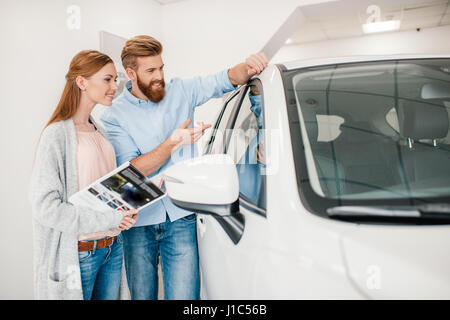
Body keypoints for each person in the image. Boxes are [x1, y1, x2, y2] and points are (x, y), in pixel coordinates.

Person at [100, 35, 268, 300]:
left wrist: (250, 66)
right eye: (151, 71)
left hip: (181, 216)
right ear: (130, 73)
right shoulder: (114, 116)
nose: (160, 76)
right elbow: (132, 171)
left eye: (161, 67)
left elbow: (224, 79)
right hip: (138, 221)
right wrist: (174, 143)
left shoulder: (181, 90)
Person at [29, 50, 140, 300]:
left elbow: (103, 188)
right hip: (80, 254)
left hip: (112, 248)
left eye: (115, 79)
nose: (115, 86)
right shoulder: (56, 135)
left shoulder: (98, 130)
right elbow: (45, 207)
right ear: (82, 82)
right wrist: (110, 218)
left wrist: (129, 206)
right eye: (108, 79)